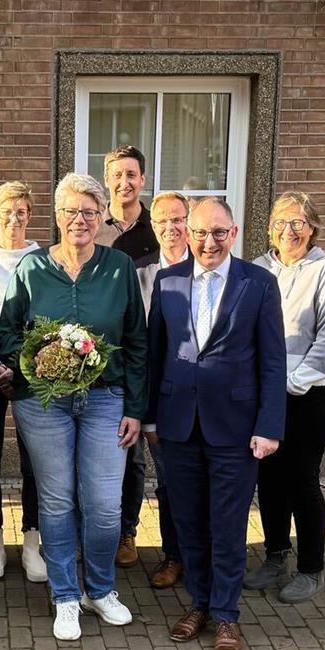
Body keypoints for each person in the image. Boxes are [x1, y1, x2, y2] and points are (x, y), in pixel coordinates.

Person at [0, 173, 147, 641]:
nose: (80, 220)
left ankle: (99, 589)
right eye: (70, 211)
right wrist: (34, 361)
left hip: (106, 399)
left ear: (102, 216)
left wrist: (136, 408)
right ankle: (65, 595)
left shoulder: (119, 266)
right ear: (57, 217)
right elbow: (7, 334)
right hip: (44, 403)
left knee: (104, 505)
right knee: (57, 501)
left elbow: (138, 341)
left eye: (89, 211)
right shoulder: (32, 268)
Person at [144, 196, 286, 650]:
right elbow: (155, 354)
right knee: (188, 523)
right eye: (200, 232)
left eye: (219, 233)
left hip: (236, 428)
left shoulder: (259, 283)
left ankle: (226, 614)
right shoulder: (167, 282)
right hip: (178, 426)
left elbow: (272, 361)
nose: (208, 241)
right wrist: (148, 416)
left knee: (226, 524)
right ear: (187, 233)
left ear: (235, 234)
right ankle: (200, 604)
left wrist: (269, 427)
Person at [245, 192, 325, 603]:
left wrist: (287, 383)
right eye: (280, 222)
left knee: (301, 480)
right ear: (269, 227)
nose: (288, 231)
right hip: (262, 394)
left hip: (306, 396)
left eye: (297, 222)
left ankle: (311, 568)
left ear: (312, 227)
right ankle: (275, 557)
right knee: (268, 479)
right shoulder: (257, 268)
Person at [0, 180, 44, 582]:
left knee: (34, 458)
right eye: (6, 210)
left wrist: (24, 364)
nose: (13, 218)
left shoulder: (43, 258)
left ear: (30, 216)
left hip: (31, 372)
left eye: (21, 211)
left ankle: (33, 541)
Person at [95, 146, 159, 568]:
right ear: (107, 180)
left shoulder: (163, 229)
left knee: (136, 452)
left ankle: (128, 532)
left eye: (132, 174)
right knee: (110, 446)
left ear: (143, 179)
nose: (125, 182)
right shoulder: (94, 229)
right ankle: (101, 529)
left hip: (154, 351)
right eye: (117, 175)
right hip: (104, 357)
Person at [135, 191, 191, 590]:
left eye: (178, 219)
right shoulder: (138, 273)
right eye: (162, 222)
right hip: (161, 400)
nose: (171, 228)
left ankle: (205, 556)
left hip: (208, 402)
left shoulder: (211, 268)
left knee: (205, 483)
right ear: (152, 227)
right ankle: (174, 555)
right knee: (169, 482)